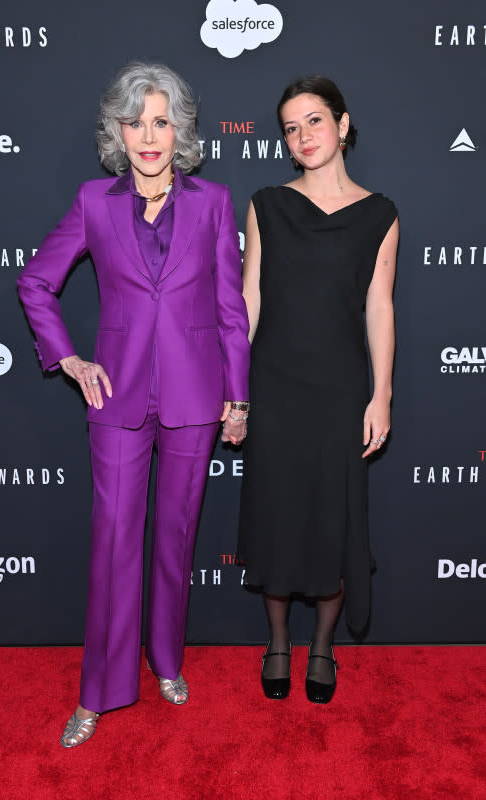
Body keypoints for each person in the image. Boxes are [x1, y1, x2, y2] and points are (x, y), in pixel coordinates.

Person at [17, 62, 250, 746]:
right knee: (114, 539)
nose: (148, 135)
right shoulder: (94, 201)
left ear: (178, 130)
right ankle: (99, 691)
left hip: (195, 398)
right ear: (117, 131)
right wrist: (69, 358)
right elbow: (37, 284)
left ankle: (167, 662)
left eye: (160, 120)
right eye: (135, 121)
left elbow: (230, 310)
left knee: (174, 540)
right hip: (114, 396)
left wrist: (237, 398)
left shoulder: (212, 202)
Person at [237, 75, 398, 704]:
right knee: (279, 517)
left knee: (332, 522)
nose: (302, 136)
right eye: (290, 127)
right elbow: (249, 301)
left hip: (339, 391)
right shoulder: (267, 205)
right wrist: (236, 391)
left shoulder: (380, 212)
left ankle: (323, 646)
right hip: (273, 385)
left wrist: (381, 395)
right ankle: (278, 641)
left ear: (343, 124)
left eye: (313, 121)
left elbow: (379, 308)